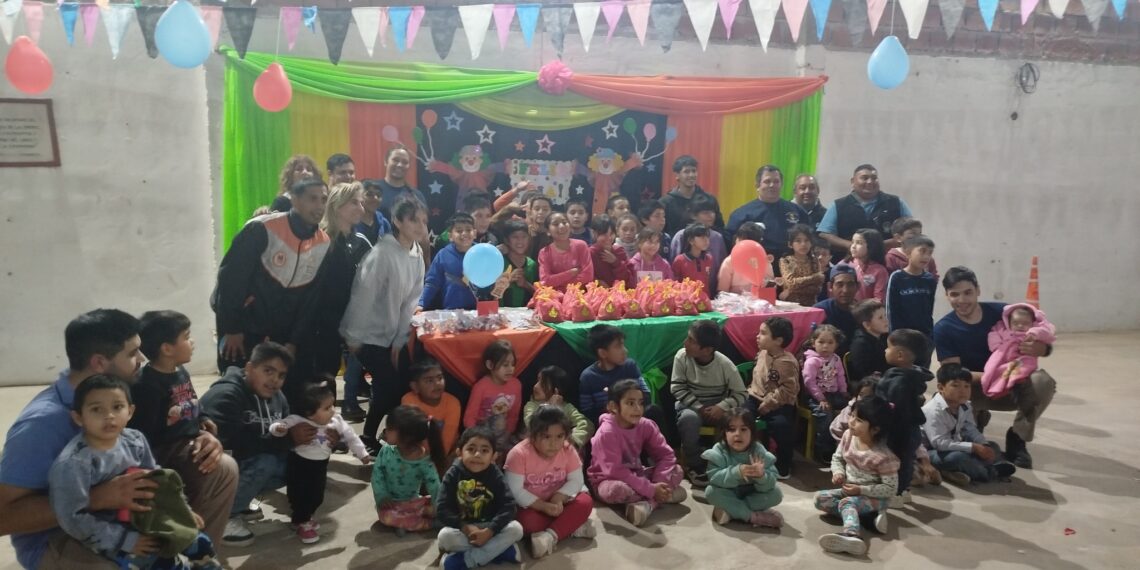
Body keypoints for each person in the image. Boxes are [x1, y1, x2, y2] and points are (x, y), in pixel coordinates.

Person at [0, 309, 160, 570]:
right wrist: (96, 498)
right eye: (132, 353)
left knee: (217, 469)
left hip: (119, 514)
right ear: (99, 362)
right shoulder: (41, 425)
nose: (142, 358)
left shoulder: (122, 390)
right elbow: (3, 517)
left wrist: (200, 435)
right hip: (57, 536)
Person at [48, 375, 221, 570]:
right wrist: (124, 540)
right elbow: (71, 517)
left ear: (130, 412)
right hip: (110, 533)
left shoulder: (135, 440)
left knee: (199, 543)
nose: (109, 416)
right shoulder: (74, 463)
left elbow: (156, 480)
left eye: (117, 407)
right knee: (158, 562)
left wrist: (182, 511)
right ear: (78, 417)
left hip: (147, 516)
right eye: (97, 409)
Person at [212, 177, 331, 405]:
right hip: (244, 329)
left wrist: (294, 341)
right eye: (312, 199)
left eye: (323, 200)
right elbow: (231, 280)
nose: (319, 206)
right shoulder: (262, 228)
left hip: (283, 335)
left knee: (281, 393)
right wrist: (233, 328)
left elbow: (311, 299)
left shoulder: (323, 243)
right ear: (295, 200)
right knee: (239, 386)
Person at [129, 311, 238, 546]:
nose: (193, 342)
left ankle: (198, 535)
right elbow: (145, 437)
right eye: (187, 337)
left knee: (217, 464)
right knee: (213, 467)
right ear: (167, 348)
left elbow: (191, 402)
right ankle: (187, 533)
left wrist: (203, 419)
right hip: (166, 451)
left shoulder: (180, 372)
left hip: (187, 440)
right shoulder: (147, 385)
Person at [933, 266, 1056, 469]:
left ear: (978, 290)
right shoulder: (944, 329)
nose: (962, 300)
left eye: (967, 292)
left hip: (1014, 386)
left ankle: (1017, 438)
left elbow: (1043, 338)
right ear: (947, 296)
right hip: (973, 390)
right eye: (954, 294)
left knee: (1042, 382)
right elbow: (952, 375)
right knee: (964, 444)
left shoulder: (1004, 313)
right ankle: (976, 419)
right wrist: (996, 376)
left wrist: (1041, 348)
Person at [199, 341, 308, 547]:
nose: (275, 380)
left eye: (281, 375)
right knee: (264, 462)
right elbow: (228, 448)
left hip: (243, 462)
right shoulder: (226, 396)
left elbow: (282, 436)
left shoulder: (278, 397)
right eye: (268, 371)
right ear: (249, 368)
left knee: (300, 461)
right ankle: (223, 516)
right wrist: (286, 440)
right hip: (209, 471)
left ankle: (237, 502)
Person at [340, 198, 429, 450]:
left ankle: (385, 435)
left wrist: (400, 339)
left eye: (423, 220)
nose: (420, 226)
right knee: (388, 385)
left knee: (399, 385)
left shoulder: (416, 252)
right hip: (366, 334)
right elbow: (362, 296)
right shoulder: (383, 253)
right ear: (398, 221)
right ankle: (369, 436)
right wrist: (354, 338)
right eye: (413, 219)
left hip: (391, 335)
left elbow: (411, 300)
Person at [268, 382, 370, 543]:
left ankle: (303, 518)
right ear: (310, 413)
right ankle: (302, 522)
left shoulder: (336, 420)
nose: (333, 411)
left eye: (333, 405)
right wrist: (278, 428)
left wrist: (362, 453)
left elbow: (351, 436)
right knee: (299, 495)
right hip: (299, 464)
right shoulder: (298, 420)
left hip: (320, 466)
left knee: (316, 496)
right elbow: (280, 425)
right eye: (327, 408)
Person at [587, 380, 685, 528]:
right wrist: (652, 490)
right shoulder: (606, 432)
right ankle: (661, 497)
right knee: (617, 491)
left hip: (637, 475)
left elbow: (666, 455)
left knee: (677, 470)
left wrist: (659, 482)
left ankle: (649, 504)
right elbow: (615, 471)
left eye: (640, 402)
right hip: (608, 480)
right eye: (630, 403)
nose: (638, 409)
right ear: (613, 407)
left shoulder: (646, 425)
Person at [505, 406, 597, 559]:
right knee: (525, 523)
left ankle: (549, 536)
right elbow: (515, 491)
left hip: (560, 503)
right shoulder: (518, 454)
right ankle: (571, 527)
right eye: (546, 437)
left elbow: (576, 480)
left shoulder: (568, 449)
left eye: (559, 436)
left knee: (585, 502)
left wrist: (559, 497)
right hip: (534, 506)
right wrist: (542, 505)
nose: (554, 443)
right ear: (533, 436)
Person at [312, 182, 371, 416]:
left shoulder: (359, 241)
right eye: (354, 202)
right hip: (323, 322)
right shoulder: (320, 239)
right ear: (337, 206)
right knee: (324, 377)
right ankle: (319, 428)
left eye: (361, 202)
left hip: (351, 319)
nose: (361, 207)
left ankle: (337, 419)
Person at [815, 396, 899, 557]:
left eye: (859, 419)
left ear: (875, 429)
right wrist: (838, 472)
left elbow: (890, 489)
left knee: (847, 503)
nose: (851, 421)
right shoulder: (848, 436)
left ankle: (852, 535)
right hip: (851, 491)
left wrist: (861, 489)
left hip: (876, 497)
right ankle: (869, 520)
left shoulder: (882, 456)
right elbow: (837, 458)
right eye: (852, 415)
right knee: (820, 499)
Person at [669, 320, 748, 485]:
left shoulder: (724, 364)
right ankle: (694, 465)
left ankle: (726, 462)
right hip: (691, 405)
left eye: (691, 340)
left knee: (734, 421)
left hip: (717, 406)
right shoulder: (681, 356)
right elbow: (677, 388)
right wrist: (699, 407)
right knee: (688, 420)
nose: (685, 343)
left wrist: (721, 407)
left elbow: (741, 393)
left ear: (707, 350)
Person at [436, 427, 524, 569]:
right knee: (444, 538)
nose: (477, 454)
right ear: (459, 452)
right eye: (471, 449)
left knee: (517, 529)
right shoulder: (453, 474)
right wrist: (464, 527)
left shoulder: (495, 474)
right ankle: (502, 551)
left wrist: (490, 531)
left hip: (490, 527)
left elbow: (509, 506)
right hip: (463, 529)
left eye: (485, 451)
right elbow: (442, 509)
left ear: (494, 456)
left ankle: (467, 561)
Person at [833, 377, 941, 487]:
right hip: (854, 457)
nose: (865, 400)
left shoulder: (884, 415)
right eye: (861, 394)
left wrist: (925, 462)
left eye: (871, 396)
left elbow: (912, 441)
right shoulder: (852, 412)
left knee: (911, 474)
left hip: (881, 461)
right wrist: (849, 447)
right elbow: (835, 430)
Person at [923, 365, 1017, 486]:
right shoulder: (933, 410)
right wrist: (973, 447)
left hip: (952, 444)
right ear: (941, 387)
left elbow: (970, 429)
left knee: (992, 445)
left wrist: (983, 444)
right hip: (930, 452)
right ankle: (990, 472)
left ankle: (957, 471)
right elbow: (939, 443)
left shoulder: (965, 406)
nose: (963, 391)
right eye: (955, 385)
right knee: (957, 457)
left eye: (967, 386)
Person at [875, 329, 933, 505]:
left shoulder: (899, 381)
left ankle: (896, 493)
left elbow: (893, 407)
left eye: (888, 348)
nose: (885, 351)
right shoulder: (913, 375)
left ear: (900, 355)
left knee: (895, 462)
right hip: (911, 429)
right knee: (906, 461)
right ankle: (904, 490)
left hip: (899, 430)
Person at [702, 407, 784, 528]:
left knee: (776, 494)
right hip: (728, 492)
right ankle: (754, 517)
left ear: (752, 432)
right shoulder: (719, 451)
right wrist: (736, 472)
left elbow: (771, 482)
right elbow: (713, 477)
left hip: (752, 493)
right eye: (731, 429)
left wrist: (762, 476)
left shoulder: (758, 450)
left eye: (743, 429)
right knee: (711, 492)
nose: (737, 434)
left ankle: (731, 511)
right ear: (724, 433)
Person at [817, 164, 914, 262]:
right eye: (864, 178)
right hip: (848, 265)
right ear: (852, 182)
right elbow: (825, 235)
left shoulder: (896, 202)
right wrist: (852, 246)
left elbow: (913, 230)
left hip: (890, 263)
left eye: (874, 178)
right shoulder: (838, 205)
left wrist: (884, 245)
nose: (870, 182)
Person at [373, 406, 447, 534]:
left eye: (389, 429)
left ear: (406, 436)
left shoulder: (424, 460)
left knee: (442, 504)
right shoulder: (386, 451)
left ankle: (422, 523)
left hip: (413, 502)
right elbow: (377, 475)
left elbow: (434, 486)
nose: (385, 432)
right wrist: (382, 496)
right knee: (386, 517)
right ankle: (410, 522)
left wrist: (435, 508)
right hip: (391, 504)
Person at [747, 318, 800, 478]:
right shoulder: (762, 353)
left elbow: (789, 389)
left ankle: (783, 465)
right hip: (755, 396)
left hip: (779, 403)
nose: (757, 336)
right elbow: (757, 378)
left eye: (763, 333)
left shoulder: (787, 362)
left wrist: (769, 403)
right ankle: (743, 457)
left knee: (782, 426)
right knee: (740, 417)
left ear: (778, 340)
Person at [725, 165, 808, 262]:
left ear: (781, 184)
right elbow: (730, 246)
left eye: (776, 181)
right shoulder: (741, 215)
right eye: (767, 181)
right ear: (757, 185)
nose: (772, 185)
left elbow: (808, 240)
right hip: (755, 266)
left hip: (791, 267)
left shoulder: (797, 211)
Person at [578, 325, 656, 426]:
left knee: (653, 411)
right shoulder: (588, 377)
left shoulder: (630, 366)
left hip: (637, 419)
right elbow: (587, 411)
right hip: (609, 424)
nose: (625, 351)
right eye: (618, 346)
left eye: (623, 345)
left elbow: (646, 395)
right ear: (602, 353)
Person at [982, 304, 1056, 400]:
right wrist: (996, 346)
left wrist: (1035, 334)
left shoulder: (1033, 332)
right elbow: (993, 334)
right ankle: (995, 388)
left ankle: (1014, 384)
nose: (1020, 326)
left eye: (1025, 323)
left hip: (1022, 358)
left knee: (1022, 369)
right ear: (1008, 322)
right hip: (1002, 356)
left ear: (1032, 323)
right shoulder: (1003, 329)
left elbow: (1046, 334)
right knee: (991, 369)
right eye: (1015, 323)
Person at [464, 340, 524, 454]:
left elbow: (513, 415)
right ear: (490, 365)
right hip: (482, 432)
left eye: (512, 364)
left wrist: (507, 434)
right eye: (505, 365)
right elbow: (469, 418)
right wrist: (477, 438)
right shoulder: (481, 387)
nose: (510, 369)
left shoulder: (516, 385)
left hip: (503, 434)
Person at [803, 325, 849, 461]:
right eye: (821, 342)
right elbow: (809, 382)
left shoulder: (836, 359)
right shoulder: (812, 361)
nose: (825, 346)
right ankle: (822, 448)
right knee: (825, 416)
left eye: (830, 343)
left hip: (835, 394)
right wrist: (821, 399)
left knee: (853, 408)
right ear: (813, 343)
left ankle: (846, 446)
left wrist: (844, 392)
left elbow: (841, 376)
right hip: (816, 397)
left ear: (836, 345)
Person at [401, 359, 463, 457]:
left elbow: (448, 438)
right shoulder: (409, 400)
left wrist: (438, 460)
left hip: (449, 448)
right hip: (420, 448)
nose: (437, 383)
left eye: (440, 378)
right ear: (415, 386)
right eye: (429, 380)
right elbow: (412, 433)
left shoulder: (453, 402)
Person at [419, 213, 479, 311]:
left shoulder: (482, 254)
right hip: (451, 311)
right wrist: (421, 304)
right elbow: (432, 283)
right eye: (459, 231)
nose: (464, 233)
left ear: (475, 233)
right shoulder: (443, 255)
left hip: (479, 311)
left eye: (468, 230)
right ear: (450, 236)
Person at [523, 366, 594, 448]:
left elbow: (587, 425)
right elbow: (531, 425)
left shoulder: (566, 407)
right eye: (537, 380)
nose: (536, 386)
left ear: (556, 390)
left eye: (543, 384)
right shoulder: (531, 405)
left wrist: (571, 441)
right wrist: (550, 407)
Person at [670, 195, 728, 283]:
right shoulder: (681, 235)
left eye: (713, 212)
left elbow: (721, 265)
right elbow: (673, 267)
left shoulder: (717, 237)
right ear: (693, 215)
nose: (711, 216)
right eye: (705, 213)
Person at [661, 155, 724, 235]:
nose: (691, 175)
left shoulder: (709, 200)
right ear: (677, 175)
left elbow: (720, 227)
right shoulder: (666, 202)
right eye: (686, 172)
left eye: (694, 171)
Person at [538, 212, 595, 290]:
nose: (561, 226)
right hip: (555, 296)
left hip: (580, 294)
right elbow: (545, 281)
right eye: (556, 224)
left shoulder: (581, 245)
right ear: (548, 231)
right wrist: (570, 273)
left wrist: (558, 283)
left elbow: (588, 276)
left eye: (564, 222)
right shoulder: (544, 252)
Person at [814, 265, 860, 355]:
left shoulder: (864, 312)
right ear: (830, 286)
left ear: (857, 286)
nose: (845, 290)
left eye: (850, 285)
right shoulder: (820, 311)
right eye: (840, 285)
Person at [717, 222, 774, 294]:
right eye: (739, 239)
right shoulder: (729, 261)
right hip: (735, 302)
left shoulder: (763, 260)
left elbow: (770, 285)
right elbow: (722, 290)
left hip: (758, 302)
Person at [778, 224, 828, 306]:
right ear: (790, 244)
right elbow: (791, 283)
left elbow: (818, 289)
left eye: (807, 240)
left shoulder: (814, 260)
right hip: (791, 305)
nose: (803, 244)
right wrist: (814, 277)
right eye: (798, 241)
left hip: (811, 305)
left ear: (811, 243)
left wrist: (790, 291)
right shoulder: (785, 261)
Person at [847, 300, 890, 384]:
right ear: (867, 325)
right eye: (880, 318)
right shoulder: (860, 345)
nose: (886, 320)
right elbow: (864, 373)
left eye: (885, 316)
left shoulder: (885, 337)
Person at [498, 220, 538, 308]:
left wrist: (525, 284)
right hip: (502, 315)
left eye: (524, 237)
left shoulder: (532, 265)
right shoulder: (499, 263)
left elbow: (540, 294)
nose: (520, 241)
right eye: (515, 237)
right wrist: (507, 280)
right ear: (507, 240)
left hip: (526, 316)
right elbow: (490, 296)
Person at [588, 215, 632, 287]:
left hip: (620, 294)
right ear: (594, 233)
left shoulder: (619, 251)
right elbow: (586, 276)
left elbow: (627, 278)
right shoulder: (589, 253)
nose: (609, 238)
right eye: (604, 234)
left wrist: (615, 262)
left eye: (611, 234)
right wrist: (597, 282)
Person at [850, 228, 889, 303]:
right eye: (852, 242)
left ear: (871, 246)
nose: (853, 246)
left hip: (867, 312)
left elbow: (878, 299)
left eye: (859, 243)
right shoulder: (845, 264)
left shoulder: (879, 271)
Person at [671, 223, 714, 292]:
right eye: (702, 237)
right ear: (691, 240)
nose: (706, 240)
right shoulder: (680, 260)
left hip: (705, 299)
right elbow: (674, 283)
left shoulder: (709, 259)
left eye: (707, 236)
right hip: (686, 301)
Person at [355, 181, 393, 246]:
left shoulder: (384, 224)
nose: (375, 198)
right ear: (359, 197)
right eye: (369, 194)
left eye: (378, 195)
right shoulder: (352, 223)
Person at [526, 194, 554, 260]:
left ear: (551, 212)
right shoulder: (524, 233)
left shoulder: (555, 235)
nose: (541, 212)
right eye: (537, 209)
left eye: (545, 209)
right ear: (530, 213)